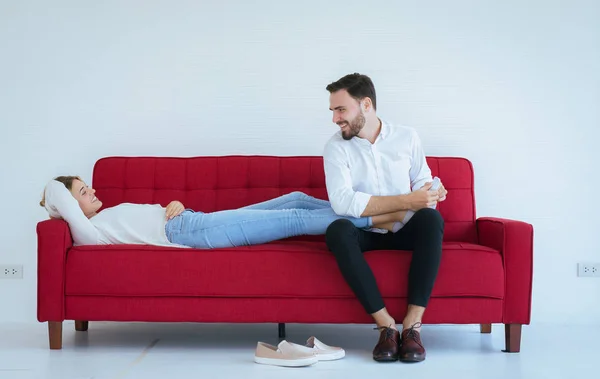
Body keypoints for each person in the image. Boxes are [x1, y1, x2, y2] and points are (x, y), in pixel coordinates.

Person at [322, 73, 449, 363]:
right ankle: (386, 326)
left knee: (431, 220)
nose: (335, 119)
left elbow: (422, 182)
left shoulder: (407, 137)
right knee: (337, 230)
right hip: (366, 231)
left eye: (341, 109)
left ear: (366, 104)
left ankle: (412, 327)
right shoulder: (335, 147)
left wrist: (431, 193)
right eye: (332, 111)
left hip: (405, 229)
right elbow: (343, 203)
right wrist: (407, 200)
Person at [39, 176, 408, 249]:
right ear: (69, 206)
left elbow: (151, 217)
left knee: (294, 197)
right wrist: (57, 200)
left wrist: (175, 205)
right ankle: (377, 218)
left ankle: (363, 210)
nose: (94, 193)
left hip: (190, 220)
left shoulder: (103, 217)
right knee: (293, 220)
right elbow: (57, 192)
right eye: (84, 194)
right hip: (189, 234)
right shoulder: (89, 232)